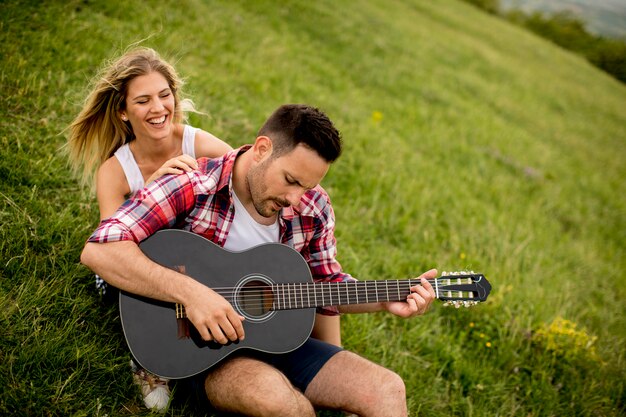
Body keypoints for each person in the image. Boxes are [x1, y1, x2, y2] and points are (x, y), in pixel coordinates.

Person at [80, 104, 437, 416]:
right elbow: (101, 249)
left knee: (388, 388)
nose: (296, 199)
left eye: (307, 187)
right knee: (283, 404)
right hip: (203, 351)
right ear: (263, 148)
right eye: (290, 180)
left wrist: (386, 299)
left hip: (278, 340)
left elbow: (326, 286)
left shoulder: (314, 207)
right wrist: (192, 294)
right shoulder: (194, 185)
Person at [67, 49, 342, 412]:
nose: (158, 107)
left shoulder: (201, 145)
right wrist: (153, 188)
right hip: (148, 252)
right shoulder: (115, 171)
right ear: (123, 110)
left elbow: (238, 201)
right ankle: (150, 357)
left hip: (195, 257)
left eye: (165, 95)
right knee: (127, 278)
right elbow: (114, 236)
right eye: (143, 100)